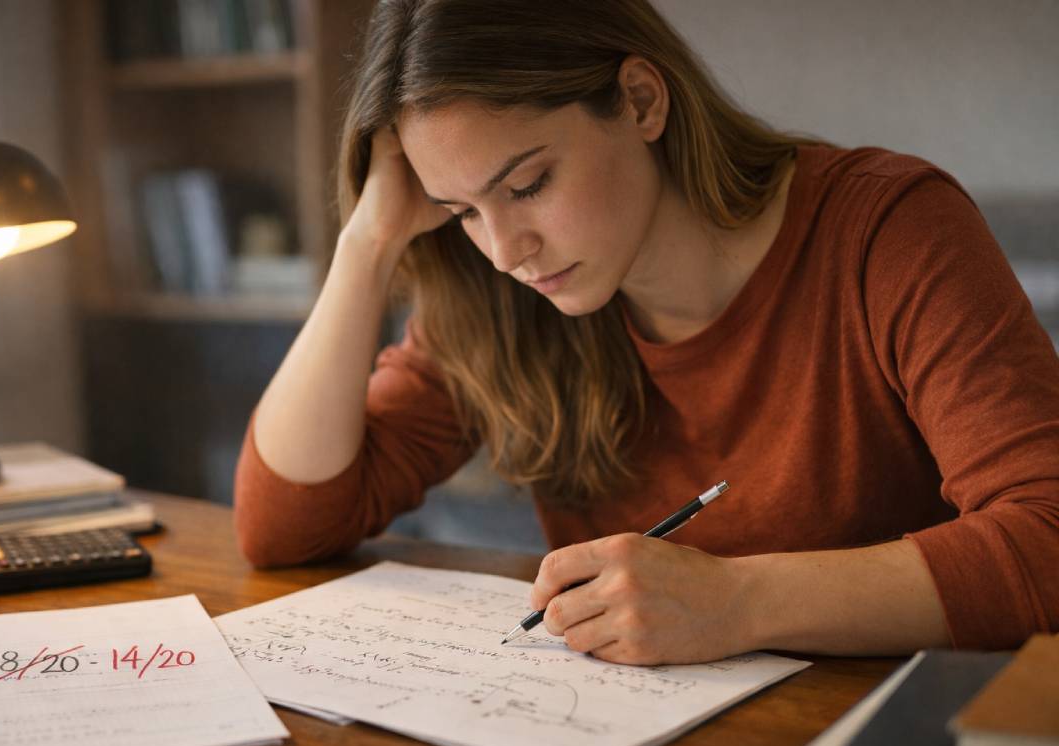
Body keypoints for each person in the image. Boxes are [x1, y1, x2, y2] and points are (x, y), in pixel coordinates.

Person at [235, 0, 1059, 665]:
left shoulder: (888, 230)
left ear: (640, 101)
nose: (505, 251)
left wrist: (737, 602)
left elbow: (1046, 536)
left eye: (527, 184)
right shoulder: (503, 298)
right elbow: (284, 526)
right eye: (460, 213)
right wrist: (368, 242)